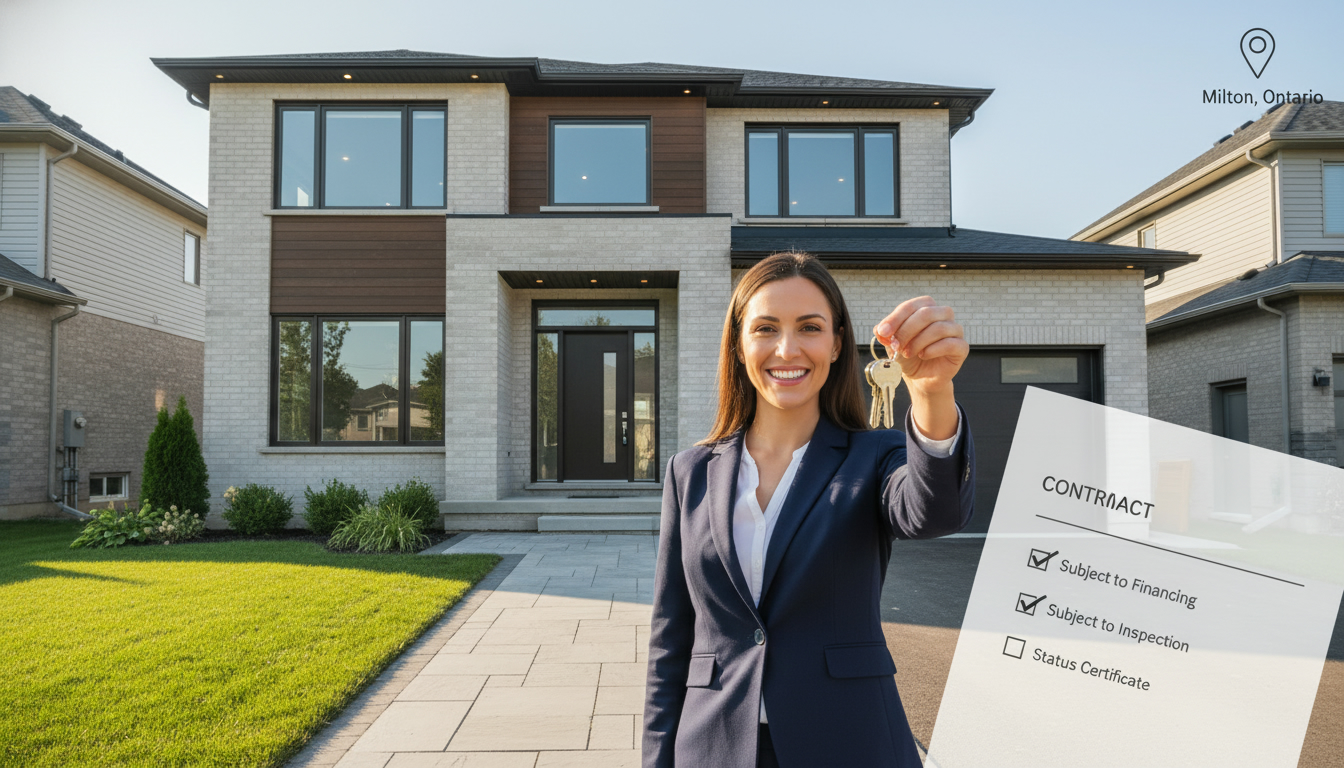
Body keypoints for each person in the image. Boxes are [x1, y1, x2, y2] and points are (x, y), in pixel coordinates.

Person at [642, 251, 975, 768]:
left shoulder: (875, 457)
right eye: (766, 328)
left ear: (837, 342)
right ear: (738, 343)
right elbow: (671, 641)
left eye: (810, 327)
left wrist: (932, 393)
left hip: (849, 741)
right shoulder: (691, 472)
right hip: (713, 746)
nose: (787, 348)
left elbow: (934, 513)